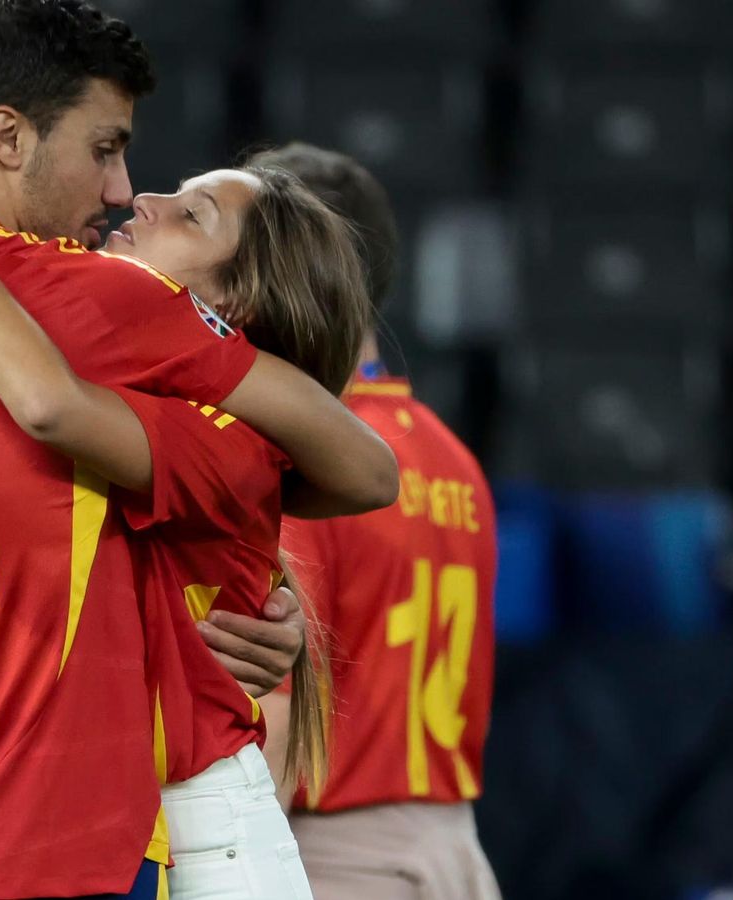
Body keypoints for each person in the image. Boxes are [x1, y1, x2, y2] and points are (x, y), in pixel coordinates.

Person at [0, 3, 395, 897]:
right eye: (105, 148)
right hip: (48, 847)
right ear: (8, 137)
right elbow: (359, 469)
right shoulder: (93, 301)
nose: (126, 191)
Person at [0, 154, 379, 900]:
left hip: (201, 831)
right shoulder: (98, 380)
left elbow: (55, 408)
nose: (144, 198)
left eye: (192, 213)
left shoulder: (215, 427)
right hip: (99, 818)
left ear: (233, 304)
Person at [259, 142, 502, 900]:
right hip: (456, 851)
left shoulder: (313, 457)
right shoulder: (453, 458)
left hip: (342, 859)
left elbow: (283, 699)